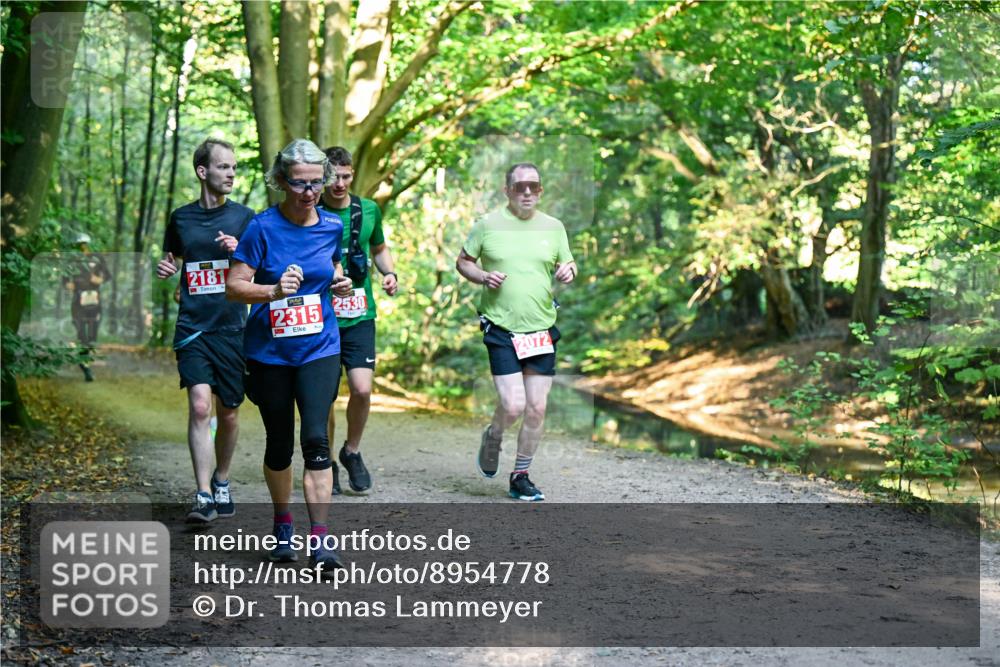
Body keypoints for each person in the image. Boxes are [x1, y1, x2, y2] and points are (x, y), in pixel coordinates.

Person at [227, 138, 353, 570]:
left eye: (317, 183)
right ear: (281, 182)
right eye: (300, 184)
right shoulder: (262, 228)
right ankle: (283, 525)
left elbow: (332, 268)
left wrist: (340, 282)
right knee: (279, 443)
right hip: (270, 353)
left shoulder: (332, 226)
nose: (309, 193)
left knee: (316, 438)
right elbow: (234, 285)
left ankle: (320, 541)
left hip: (319, 345)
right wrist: (273, 291)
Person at [455, 163, 576, 501]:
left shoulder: (554, 227)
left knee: (536, 407)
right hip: (502, 327)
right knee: (512, 405)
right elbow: (463, 261)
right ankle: (494, 435)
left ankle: (520, 475)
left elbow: (567, 263)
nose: (526, 192)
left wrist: (568, 270)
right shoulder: (487, 225)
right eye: (519, 186)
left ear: (540, 191)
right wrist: (481, 276)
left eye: (533, 187)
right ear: (507, 190)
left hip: (540, 328)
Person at [155, 138, 254, 523]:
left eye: (233, 167)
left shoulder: (245, 219)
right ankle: (202, 494)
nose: (230, 174)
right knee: (199, 406)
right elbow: (175, 261)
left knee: (228, 413)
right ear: (203, 172)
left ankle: (222, 479)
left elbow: (262, 274)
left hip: (232, 328)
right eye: (223, 167)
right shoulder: (181, 218)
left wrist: (239, 252)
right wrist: (168, 270)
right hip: (193, 327)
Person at [320, 146, 398, 495]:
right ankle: (326, 462)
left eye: (346, 176)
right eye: (333, 176)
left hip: (360, 313)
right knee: (323, 396)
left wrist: (390, 273)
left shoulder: (368, 210)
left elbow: (379, 248)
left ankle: (351, 451)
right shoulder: (311, 211)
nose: (339, 183)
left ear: (353, 175)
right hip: (321, 316)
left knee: (362, 389)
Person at [66, 233, 110, 382]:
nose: (82, 248)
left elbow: (108, 276)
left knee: (92, 336)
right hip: (78, 301)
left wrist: (99, 279)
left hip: (94, 301)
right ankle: (85, 367)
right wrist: (68, 284)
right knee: (82, 335)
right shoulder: (72, 261)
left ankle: (85, 360)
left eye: (84, 244)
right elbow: (64, 279)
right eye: (79, 245)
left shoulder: (97, 259)